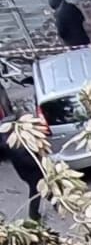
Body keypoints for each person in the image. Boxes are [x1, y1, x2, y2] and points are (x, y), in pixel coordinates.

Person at [0, 92, 44, 222]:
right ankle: (34, 213)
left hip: (26, 167)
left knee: (38, 187)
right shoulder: (17, 145)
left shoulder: (11, 141)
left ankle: (37, 212)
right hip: (29, 167)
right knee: (38, 187)